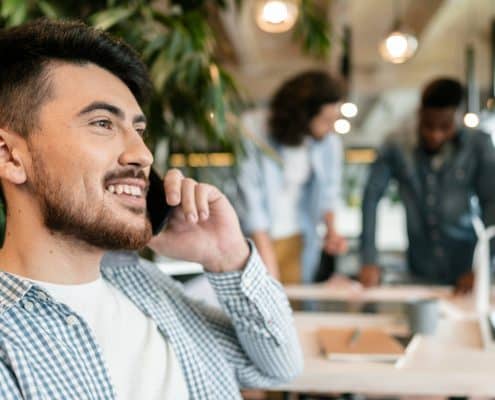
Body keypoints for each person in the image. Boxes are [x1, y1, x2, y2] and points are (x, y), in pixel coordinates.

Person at [0, 19, 303, 399]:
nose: (142, 155)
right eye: (102, 123)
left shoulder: (145, 283)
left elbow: (277, 368)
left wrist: (227, 258)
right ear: (9, 155)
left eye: (139, 131)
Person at [359, 78, 495, 293]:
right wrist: (368, 259)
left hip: (466, 268)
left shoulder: (478, 145)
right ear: (420, 114)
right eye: (428, 126)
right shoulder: (395, 145)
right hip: (419, 269)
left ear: (458, 117)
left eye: (445, 127)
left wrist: (485, 267)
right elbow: (371, 197)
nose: (435, 134)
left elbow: (492, 203)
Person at [236, 71, 348, 285]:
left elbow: (329, 191)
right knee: (262, 300)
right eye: (325, 120)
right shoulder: (253, 128)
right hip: (258, 238)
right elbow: (250, 198)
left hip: (300, 238)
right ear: (303, 116)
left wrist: (331, 231)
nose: (331, 127)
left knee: (296, 305)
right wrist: (266, 258)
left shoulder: (329, 142)